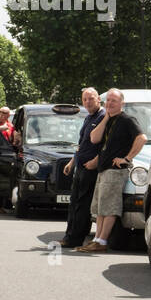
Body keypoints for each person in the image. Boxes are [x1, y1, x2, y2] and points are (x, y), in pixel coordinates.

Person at [78, 88, 145, 252]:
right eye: (107, 100)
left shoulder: (127, 120)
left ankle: (102, 241)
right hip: (103, 169)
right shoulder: (108, 120)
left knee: (109, 207)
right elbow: (94, 138)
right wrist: (106, 117)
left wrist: (127, 159)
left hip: (115, 170)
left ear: (122, 103)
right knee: (100, 207)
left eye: (113, 101)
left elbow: (141, 138)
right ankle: (96, 239)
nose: (109, 103)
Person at [61, 88, 105, 248]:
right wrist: (72, 162)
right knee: (73, 203)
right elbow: (82, 145)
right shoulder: (88, 118)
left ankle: (75, 239)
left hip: (91, 169)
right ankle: (68, 236)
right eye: (84, 99)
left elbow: (107, 145)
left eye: (91, 99)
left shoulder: (103, 117)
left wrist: (96, 161)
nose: (87, 102)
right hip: (80, 166)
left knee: (82, 205)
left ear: (98, 99)